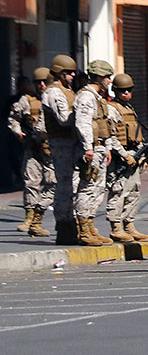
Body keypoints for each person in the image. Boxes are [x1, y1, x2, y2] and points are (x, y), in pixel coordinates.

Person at [7, 67, 54, 236]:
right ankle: (30, 217)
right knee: (31, 182)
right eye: (37, 83)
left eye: (44, 82)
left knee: (53, 182)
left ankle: (39, 216)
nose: (41, 85)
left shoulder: (56, 98)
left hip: (53, 148)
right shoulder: (26, 100)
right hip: (32, 146)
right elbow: (13, 118)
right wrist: (18, 132)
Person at [39, 55, 80, 245]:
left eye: (72, 72)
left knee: (73, 184)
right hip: (61, 143)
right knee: (64, 186)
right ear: (59, 73)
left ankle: (71, 224)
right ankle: (64, 226)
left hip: (70, 142)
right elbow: (64, 119)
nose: (72, 75)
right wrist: (83, 114)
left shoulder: (68, 90)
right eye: (68, 72)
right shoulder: (54, 92)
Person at [73, 60, 115, 246]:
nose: (109, 81)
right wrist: (87, 147)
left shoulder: (97, 97)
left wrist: (106, 148)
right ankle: (83, 229)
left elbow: (103, 124)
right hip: (90, 148)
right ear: (98, 77)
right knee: (87, 188)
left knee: (97, 189)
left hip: (99, 148)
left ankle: (90, 226)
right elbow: (82, 123)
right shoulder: (86, 97)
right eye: (106, 77)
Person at [106, 73, 148, 243]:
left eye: (129, 90)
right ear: (115, 91)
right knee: (118, 192)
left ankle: (129, 224)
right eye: (122, 90)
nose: (126, 93)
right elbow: (111, 137)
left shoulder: (129, 108)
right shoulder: (112, 109)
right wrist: (125, 155)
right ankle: (116, 227)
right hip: (120, 159)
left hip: (133, 156)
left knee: (134, 192)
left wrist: (141, 155)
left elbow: (136, 134)